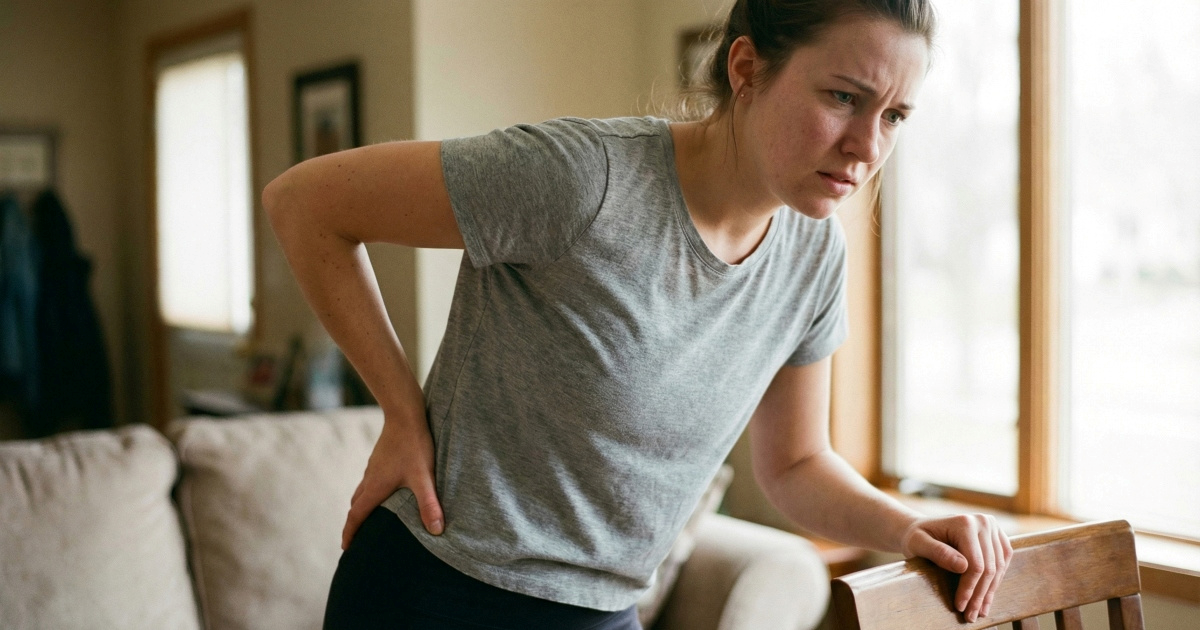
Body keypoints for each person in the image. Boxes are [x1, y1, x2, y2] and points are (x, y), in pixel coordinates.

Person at [263, 0, 1012, 628]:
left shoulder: (815, 257)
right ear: (746, 68)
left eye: (895, 116)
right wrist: (400, 410)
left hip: (608, 611)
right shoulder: (583, 178)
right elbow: (303, 205)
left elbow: (793, 464)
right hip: (435, 590)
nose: (866, 147)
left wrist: (904, 526)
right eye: (843, 97)